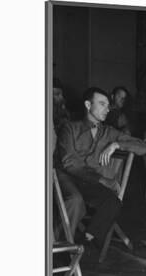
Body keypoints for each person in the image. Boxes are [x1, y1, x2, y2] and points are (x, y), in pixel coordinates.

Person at [57, 87, 146, 247]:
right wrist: (102, 179)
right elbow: (70, 163)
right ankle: (58, 248)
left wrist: (116, 144)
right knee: (75, 200)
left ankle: (83, 243)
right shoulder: (70, 128)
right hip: (66, 177)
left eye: (107, 105)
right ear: (88, 105)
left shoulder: (109, 132)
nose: (107, 108)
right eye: (102, 104)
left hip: (88, 182)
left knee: (113, 202)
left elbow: (142, 147)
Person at [52, 78, 86, 241]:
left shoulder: (65, 118)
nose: (57, 99)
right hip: (53, 170)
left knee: (79, 200)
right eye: (54, 94)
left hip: (63, 169)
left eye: (59, 95)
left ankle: (58, 244)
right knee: (75, 199)